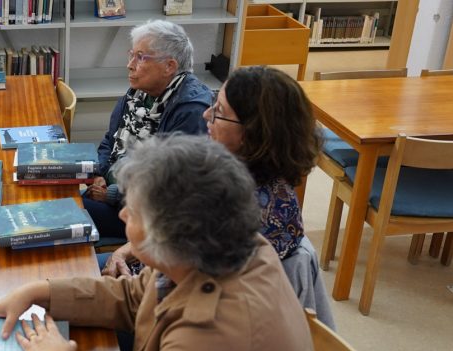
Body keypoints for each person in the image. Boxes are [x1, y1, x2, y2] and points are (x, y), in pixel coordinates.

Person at [0, 135, 322, 351]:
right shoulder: (219, 247)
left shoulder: (211, 337)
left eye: (132, 213)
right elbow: (136, 295)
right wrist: (42, 291)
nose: (121, 216)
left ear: (169, 233)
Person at [103, 65, 334, 328]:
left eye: (220, 112)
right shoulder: (228, 173)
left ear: (254, 132)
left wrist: (123, 281)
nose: (206, 114)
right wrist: (122, 253)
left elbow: (182, 295)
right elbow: (170, 234)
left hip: (171, 316)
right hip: (150, 282)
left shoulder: (256, 213)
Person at [83, 19, 213, 239]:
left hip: (146, 217)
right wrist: (99, 174)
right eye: (131, 54)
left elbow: (168, 188)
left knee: (67, 210)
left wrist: (112, 194)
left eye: (141, 57)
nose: (130, 64)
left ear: (169, 66)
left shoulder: (190, 110)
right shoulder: (138, 93)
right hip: (113, 193)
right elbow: (110, 140)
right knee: (57, 198)